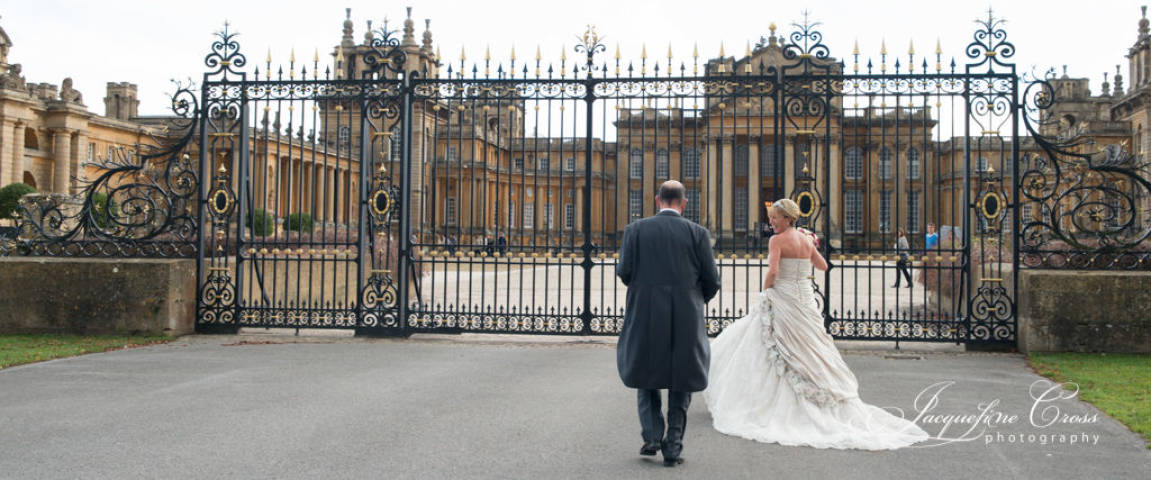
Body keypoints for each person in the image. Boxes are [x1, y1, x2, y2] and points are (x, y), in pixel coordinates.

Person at [703, 198, 928, 450]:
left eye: (775, 217)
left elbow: (774, 271)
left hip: (784, 298)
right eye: (770, 218)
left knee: (777, 348)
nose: (771, 222)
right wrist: (807, 256)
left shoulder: (777, 240)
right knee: (810, 346)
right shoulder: (806, 239)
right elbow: (823, 265)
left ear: (788, 218)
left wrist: (765, 289)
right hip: (805, 300)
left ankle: (770, 400)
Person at [616, 180, 720, 467]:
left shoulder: (634, 230)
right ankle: (672, 446)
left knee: (645, 372)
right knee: (682, 376)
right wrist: (694, 299)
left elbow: (624, 272)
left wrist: (645, 288)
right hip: (686, 313)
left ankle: (651, 435)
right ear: (684, 203)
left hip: (646, 311)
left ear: (656, 200)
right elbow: (712, 280)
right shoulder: (698, 233)